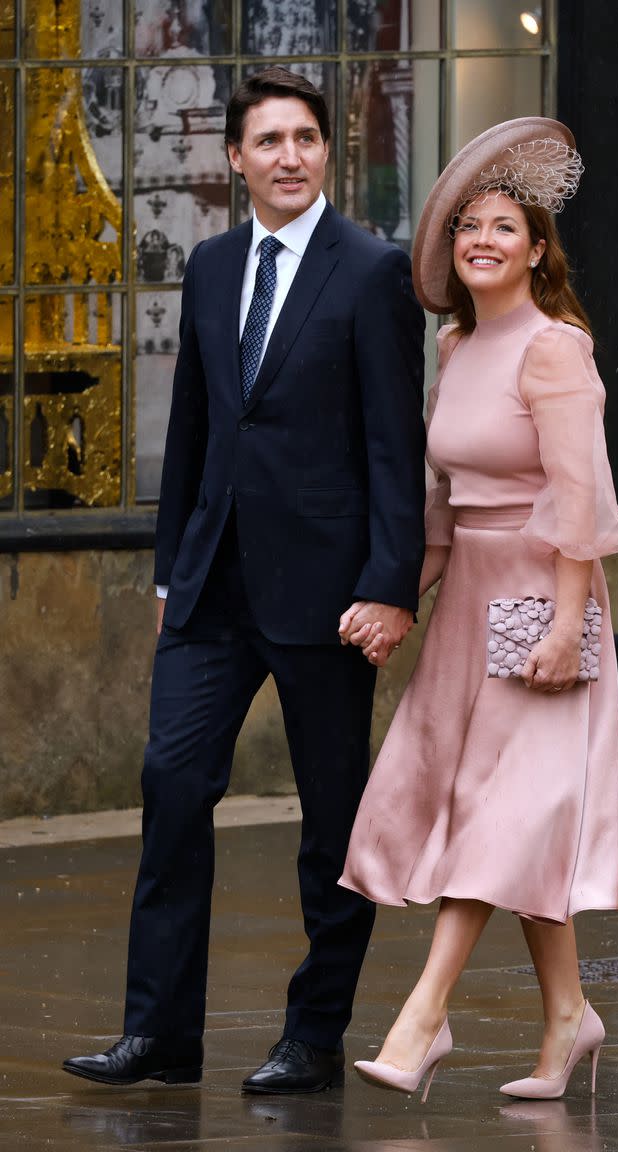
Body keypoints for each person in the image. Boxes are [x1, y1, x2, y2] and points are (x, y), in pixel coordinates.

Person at [62, 66, 426, 1094]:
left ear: (325, 152)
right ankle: (160, 1033)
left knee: (330, 821)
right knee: (172, 788)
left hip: (329, 595)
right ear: (235, 158)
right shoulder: (214, 266)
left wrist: (391, 585)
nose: (289, 157)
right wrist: (173, 561)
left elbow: (399, 445)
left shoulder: (371, 271)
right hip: (212, 585)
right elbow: (194, 427)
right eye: (268, 141)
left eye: (306, 138)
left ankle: (312, 1037)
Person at [338, 117, 618, 1103]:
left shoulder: (556, 351)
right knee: (501, 819)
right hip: (468, 609)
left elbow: (579, 503)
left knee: (496, 821)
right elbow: (440, 507)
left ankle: (423, 1017)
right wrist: (399, 601)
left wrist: (563, 624)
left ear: (538, 249)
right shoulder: (459, 345)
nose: (483, 240)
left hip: (544, 604)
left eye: (504, 226)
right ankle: (567, 1019)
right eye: (468, 226)